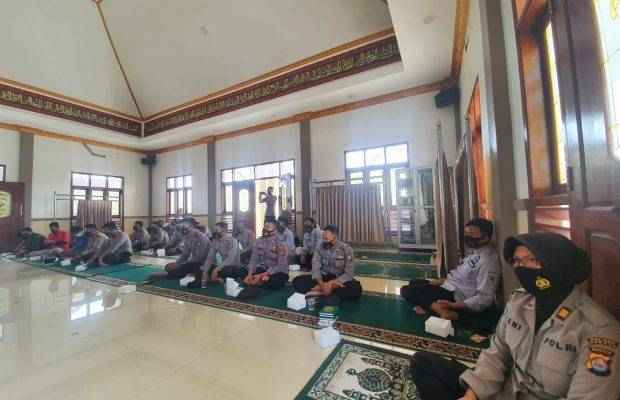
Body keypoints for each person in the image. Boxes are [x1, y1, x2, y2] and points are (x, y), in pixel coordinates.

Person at [410, 233, 620, 400]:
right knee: (423, 363)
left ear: (558, 263)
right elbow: (496, 355)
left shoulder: (599, 331)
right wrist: (472, 395)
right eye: (517, 261)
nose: (522, 268)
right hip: (502, 392)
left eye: (532, 260)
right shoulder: (519, 302)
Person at [400, 218, 500, 320]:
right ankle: (431, 306)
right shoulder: (476, 252)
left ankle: (442, 310)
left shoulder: (488, 261)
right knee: (414, 282)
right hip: (449, 285)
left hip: (455, 295)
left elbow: (484, 298)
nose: (467, 237)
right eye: (466, 234)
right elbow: (460, 276)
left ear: (485, 237)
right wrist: (440, 281)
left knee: (406, 290)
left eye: (472, 234)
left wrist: (453, 305)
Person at [292, 225, 362, 304]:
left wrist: (331, 285)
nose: (324, 238)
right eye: (323, 236)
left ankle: (319, 293)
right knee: (297, 281)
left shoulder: (346, 249)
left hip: (339, 280)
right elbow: (315, 268)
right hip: (323, 277)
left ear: (335, 235)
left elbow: (349, 274)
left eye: (326, 236)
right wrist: (321, 284)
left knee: (356, 289)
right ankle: (329, 294)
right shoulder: (319, 248)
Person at [149, 218, 210, 283]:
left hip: (204, 264)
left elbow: (199, 258)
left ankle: (171, 275)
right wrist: (177, 263)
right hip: (194, 262)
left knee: (187, 267)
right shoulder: (188, 238)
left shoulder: (202, 238)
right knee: (171, 266)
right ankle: (177, 272)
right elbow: (185, 255)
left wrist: (181, 265)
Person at [243, 218, 289, 290]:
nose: (266, 233)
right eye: (265, 230)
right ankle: (260, 281)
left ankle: (261, 281)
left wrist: (262, 275)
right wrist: (249, 274)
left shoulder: (281, 243)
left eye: (269, 231)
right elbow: (253, 259)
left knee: (274, 281)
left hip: (278, 272)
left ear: (276, 230)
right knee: (244, 272)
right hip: (264, 269)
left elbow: (280, 265)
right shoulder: (259, 241)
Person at [201, 222, 241, 286]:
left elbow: (230, 259)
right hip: (222, 266)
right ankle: (218, 279)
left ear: (224, 230)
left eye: (216, 230)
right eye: (214, 230)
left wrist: (216, 269)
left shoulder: (233, 241)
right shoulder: (215, 241)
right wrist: (205, 271)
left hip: (233, 266)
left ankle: (222, 279)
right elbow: (210, 257)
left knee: (226, 270)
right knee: (203, 268)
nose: (215, 232)